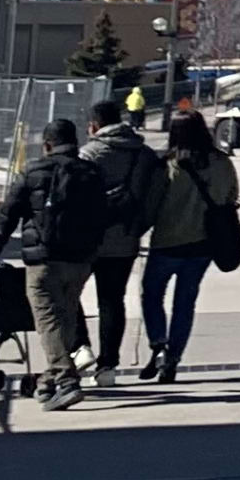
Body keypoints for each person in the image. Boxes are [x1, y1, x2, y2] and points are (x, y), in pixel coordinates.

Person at [0, 117, 110, 410]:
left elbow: (9, 211)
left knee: (47, 319)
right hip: (80, 260)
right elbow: (102, 213)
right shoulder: (90, 172)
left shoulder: (33, 170)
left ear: (47, 145)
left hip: (43, 259)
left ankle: (65, 380)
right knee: (66, 316)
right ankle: (48, 381)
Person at [137, 108, 239, 383]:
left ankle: (159, 342)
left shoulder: (168, 165)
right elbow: (231, 196)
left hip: (167, 241)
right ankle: (173, 359)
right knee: (185, 302)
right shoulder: (222, 162)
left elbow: (152, 204)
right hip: (204, 244)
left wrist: (135, 230)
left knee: (151, 295)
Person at [78, 98, 164, 370]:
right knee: (112, 300)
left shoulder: (89, 154)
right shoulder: (144, 153)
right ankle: (108, 364)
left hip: (89, 238)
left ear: (94, 125)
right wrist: (140, 225)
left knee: (68, 296)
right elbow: (154, 197)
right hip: (126, 237)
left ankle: (81, 349)